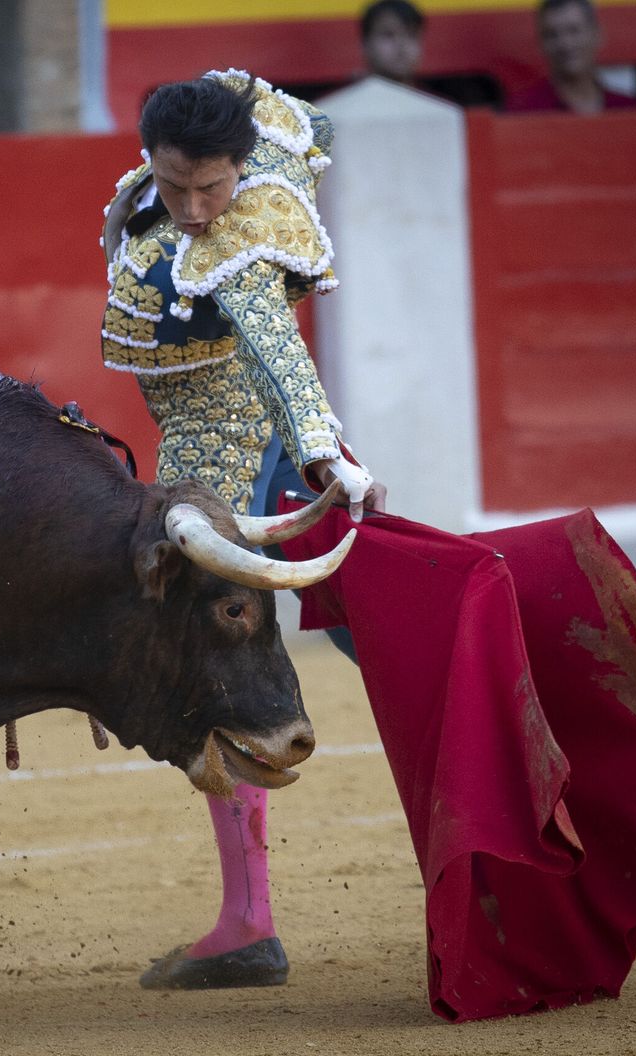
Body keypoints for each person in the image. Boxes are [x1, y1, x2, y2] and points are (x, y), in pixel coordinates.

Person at [100, 69, 385, 989]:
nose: (192, 208)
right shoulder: (231, 152)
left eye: (211, 186)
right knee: (366, 621)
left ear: (241, 167)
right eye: (175, 183)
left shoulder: (246, 228)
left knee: (220, 662)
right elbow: (320, 122)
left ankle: (248, 921)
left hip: (229, 453)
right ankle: (246, 915)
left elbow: (275, 343)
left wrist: (329, 457)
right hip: (227, 441)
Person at [505, 0, 636, 114]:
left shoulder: (629, 109)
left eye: (574, 31)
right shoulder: (523, 111)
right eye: (552, 35)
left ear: (597, 34)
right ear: (540, 44)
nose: (565, 44)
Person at [358, 0, 502, 107]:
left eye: (411, 35)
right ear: (365, 44)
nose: (401, 45)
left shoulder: (440, 109)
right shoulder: (345, 110)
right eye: (388, 35)